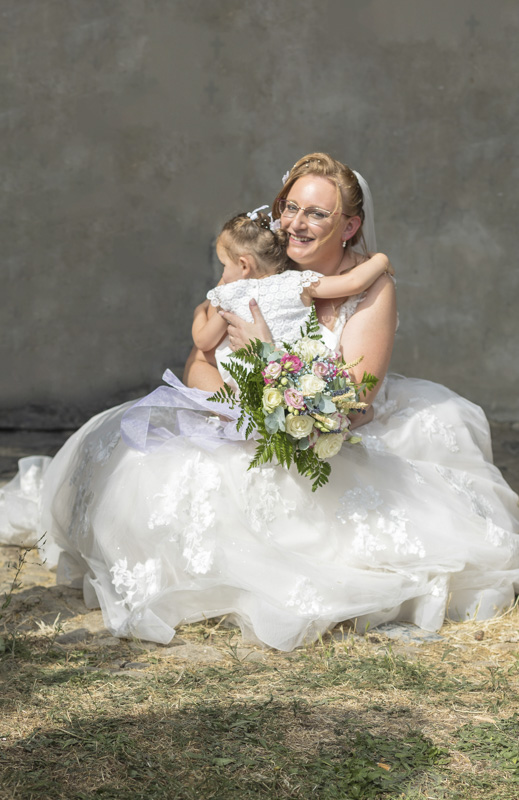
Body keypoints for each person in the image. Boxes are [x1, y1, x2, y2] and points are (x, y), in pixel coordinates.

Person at [1, 153, 518, 652]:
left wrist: (268, 362)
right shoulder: (261, 268)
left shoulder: (369, 287)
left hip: (333, 427)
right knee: (143, 462)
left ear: (350, 227)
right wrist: (233, 406)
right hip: (242, 411)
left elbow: (354, 399)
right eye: (290, 207)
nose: (296, 223)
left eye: (317, 213)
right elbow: (199, 359)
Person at [192, 210, 392, 389]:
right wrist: (381, 260)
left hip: (245, 380)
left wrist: (199, 312)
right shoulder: (297, 282)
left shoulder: (231, 294)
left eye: (224, 265)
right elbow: (353, 282)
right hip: (296, 378)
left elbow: (203, 341)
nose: (223, 273)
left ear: (244, 266)